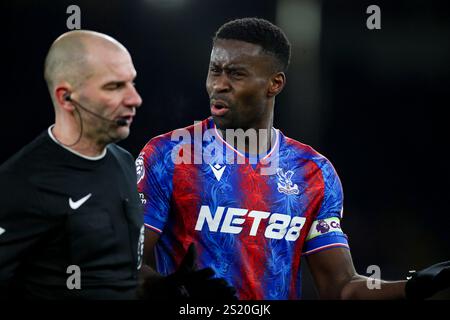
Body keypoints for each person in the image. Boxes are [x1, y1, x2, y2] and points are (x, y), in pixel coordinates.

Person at [137, 18, 450, 300]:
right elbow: (123, 268)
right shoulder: (170, 156)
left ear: (275, 84)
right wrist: (170, 290)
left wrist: (414, 286)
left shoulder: (314, 172)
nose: (219, 84)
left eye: (236, 73)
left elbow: (341, 287)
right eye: (215, 70)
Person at [0, 30, 144, 299]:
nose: (135, 99)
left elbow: (112, 275)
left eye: (132, 83)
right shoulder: (19, 183)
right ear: (66, 98)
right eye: (114, 86)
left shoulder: (124, 161)